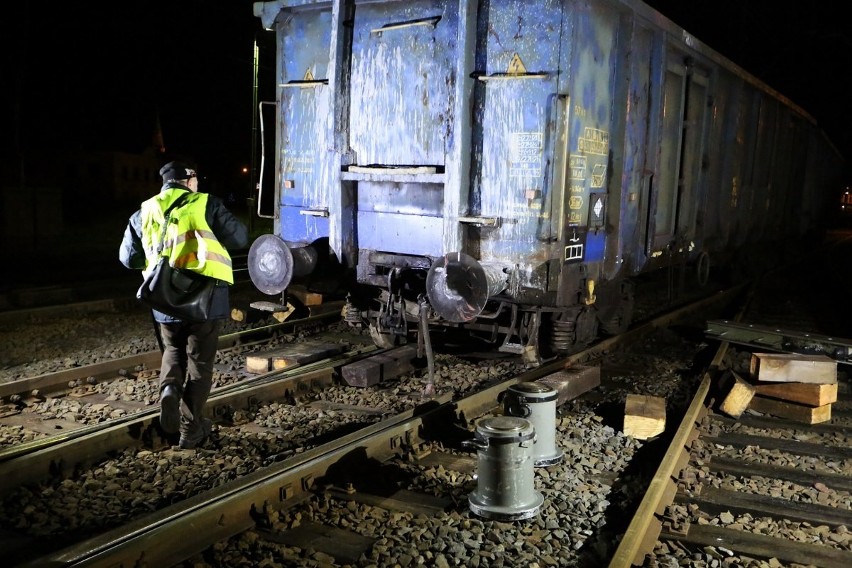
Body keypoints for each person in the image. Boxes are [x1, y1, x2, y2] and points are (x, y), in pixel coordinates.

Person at [119, 161, 249, 449]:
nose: (198, 182)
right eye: (196, 178)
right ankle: (191, 428)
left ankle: (168, 389)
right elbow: (240, 238)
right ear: (187, 180)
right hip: (205, 298)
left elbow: (129, 259)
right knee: (200, 364)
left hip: (164, 298)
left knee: (173, 348)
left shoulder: (145, 210)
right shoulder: (206, 204)